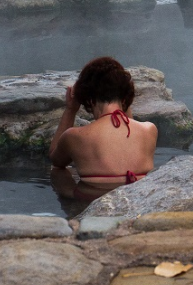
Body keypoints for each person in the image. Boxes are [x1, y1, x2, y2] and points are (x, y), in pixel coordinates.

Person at [49, 56, 158, 202]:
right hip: (140, 199)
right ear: (125, 97)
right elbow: (126, 131)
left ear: (89, 99)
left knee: (57, 172)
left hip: (93, 200)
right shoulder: (149, 130)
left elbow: (55, 159)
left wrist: (70, 109)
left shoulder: (74, 136)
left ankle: (73, 212)